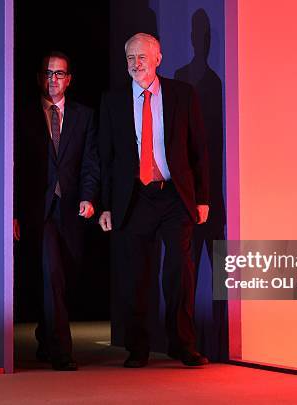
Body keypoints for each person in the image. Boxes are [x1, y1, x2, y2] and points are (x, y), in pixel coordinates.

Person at [98, 33, 210, 368]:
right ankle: (138, 348)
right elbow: (107, 157)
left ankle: (183, 345)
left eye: (142, 57)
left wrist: (202, 198)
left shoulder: (182, 95)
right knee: (137, 276)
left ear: (158, 58)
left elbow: (199, 150)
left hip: (175, 195)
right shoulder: (112, 100)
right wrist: (106, 204)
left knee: (179, 273)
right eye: (130, 58)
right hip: (134, 198)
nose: (136, 64)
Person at [14, 51, 99, 371]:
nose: (53, 80)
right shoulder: (24, 115)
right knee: (53, 277)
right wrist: (14, 212)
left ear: (69, 79)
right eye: (48, 74)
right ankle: (61, 351)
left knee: (65, 276)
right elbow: (16, 166)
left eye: (59, 74)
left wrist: (89, 198)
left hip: (71, 208)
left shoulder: (84, 115)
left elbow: (91, 161)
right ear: (40, 78)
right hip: (38, 208)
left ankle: (43, 335)